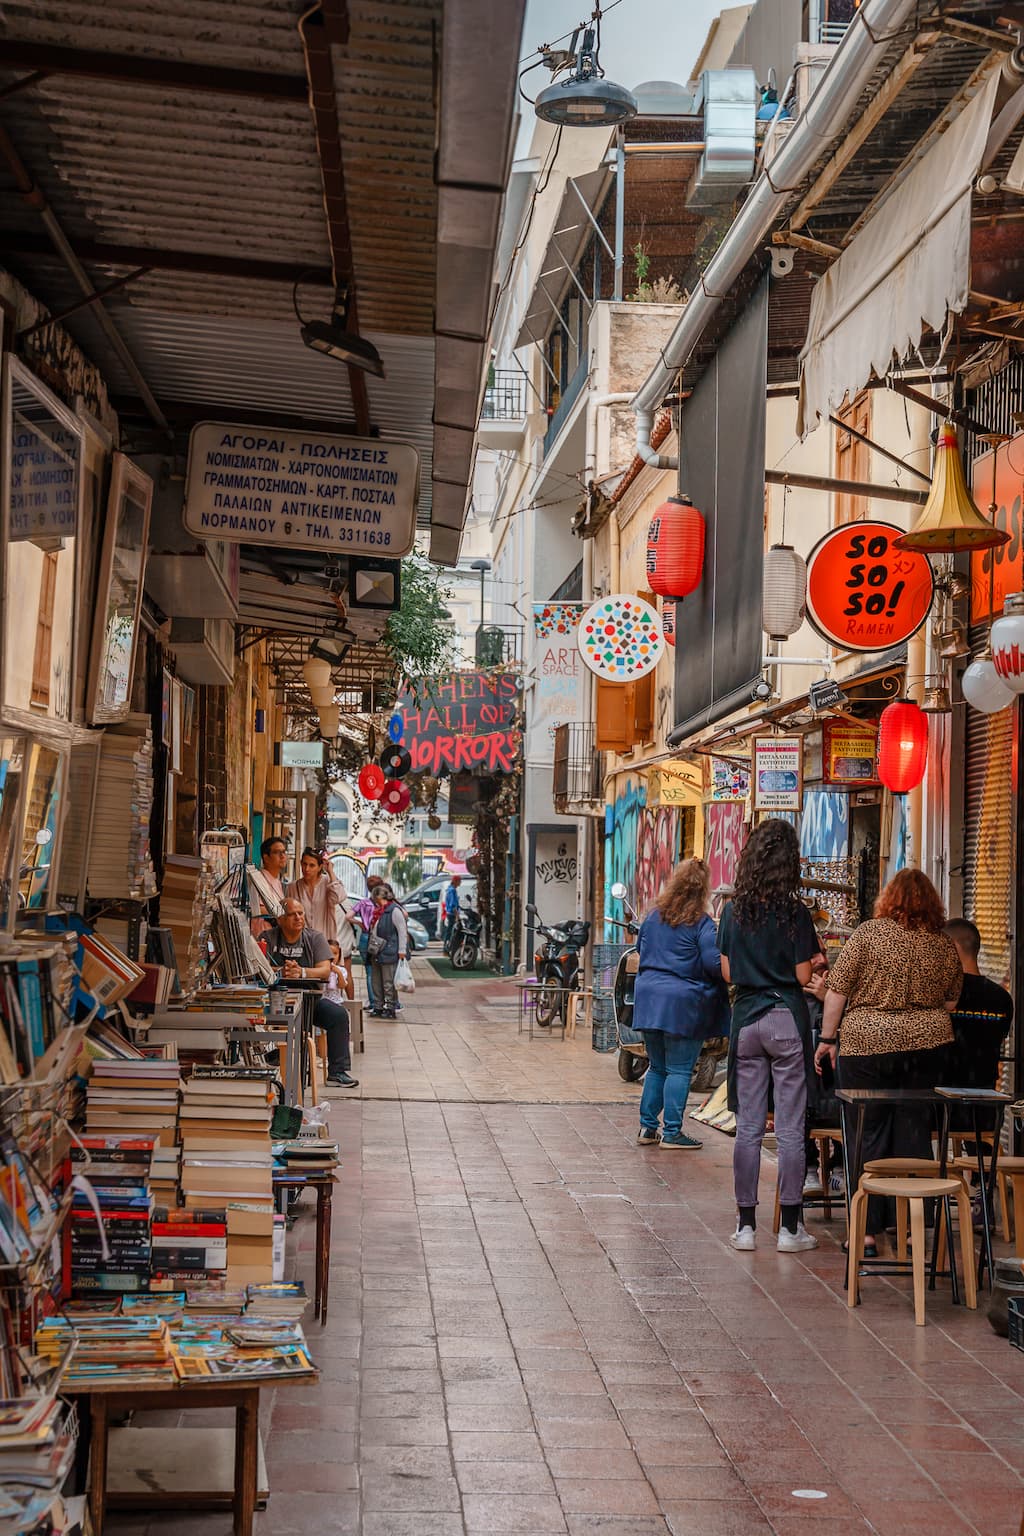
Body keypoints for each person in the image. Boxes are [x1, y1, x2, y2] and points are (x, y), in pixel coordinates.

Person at [815, 868, 961, 1257]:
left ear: (888, 898)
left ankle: (865, 1231)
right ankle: (912, 1229)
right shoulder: (943, 944)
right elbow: (951, 1001)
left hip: (867, 1044)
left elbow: (837, 992)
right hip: (927, 1045)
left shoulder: (868, 934)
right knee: (914, 1133)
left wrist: (827, 1039)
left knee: (866, 1132)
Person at [718, 819, 821, 1254]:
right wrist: (811, 966)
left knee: (749, 1129)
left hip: (746, 1020)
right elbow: (801, 974)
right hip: (786, 1020)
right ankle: (790, 1230)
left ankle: (745, 1228)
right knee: (792, 1129)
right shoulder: (795, 912)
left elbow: (726, 971)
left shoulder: (732, 911)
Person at [633, 859, 728, 1151]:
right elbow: (713, 964)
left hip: (649, 999)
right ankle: (672, 1132)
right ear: (703, 891)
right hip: (682, 1003)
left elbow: (640, 949)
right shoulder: (700, 923)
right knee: (679, 1070)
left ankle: (647, 1128)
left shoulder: (652, 917)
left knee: (658, 1067)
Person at [265, 899, 358, 1087]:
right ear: (281, 919)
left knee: (338, 1015)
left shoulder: (315, 938)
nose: (298, 918)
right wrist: (281, 971)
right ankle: (273, 1056)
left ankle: (337, 1072)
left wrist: (301, 972)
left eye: (301, 913)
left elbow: (324, 969)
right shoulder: (268, 938)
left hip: (310, 1001)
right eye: (292, 914)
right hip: (275, 1001)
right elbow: (258, 966)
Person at [943, 918, 1013, 1091]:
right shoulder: (1002, 998)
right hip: (985, 1096)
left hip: (943, 1097)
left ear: (953, 948)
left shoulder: (943, 995)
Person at [287, 848, 355, 999]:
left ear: (319, 867)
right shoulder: (293, 887)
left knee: (330, 983)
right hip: (302, 943)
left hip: (325, 940)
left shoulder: (328, 883)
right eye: (304, 864)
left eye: (311, 865)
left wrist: (330, 872)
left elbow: (339, 897)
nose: (306, 869)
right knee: (306, 982)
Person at [367, 883, 408, 1019]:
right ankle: (378, 1006)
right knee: (376, 981)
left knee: (388, 981)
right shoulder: (379, 911)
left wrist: (402, 950)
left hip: (389, 951)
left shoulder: (394, 911)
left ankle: (390, 1007)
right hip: (377, 951)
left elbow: (402, 931)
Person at [354, 875, 386, 1011]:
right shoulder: (383, 904)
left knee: (369, 971)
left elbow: (348, 916)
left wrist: (360, 923)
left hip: (365, 938)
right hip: (378, 939)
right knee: (382, 970)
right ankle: (381, 1000)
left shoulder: (363, 903)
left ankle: (373, 1001)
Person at [441, 874, 462, 950]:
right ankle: (448, 946)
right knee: (451, 931)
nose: (460, 883)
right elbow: (453, 905)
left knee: (449, 930)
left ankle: (447, 945)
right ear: (455, 881)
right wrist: (457, 915)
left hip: (450, 913)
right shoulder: (452, 890)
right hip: (452, 914)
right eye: (459, 881)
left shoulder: (450, 889)